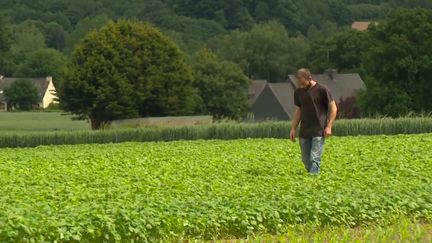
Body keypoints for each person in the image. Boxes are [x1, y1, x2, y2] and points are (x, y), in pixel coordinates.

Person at [290, 68, 337, 174]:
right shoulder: (298, 92)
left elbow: (333, 108)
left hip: (318, 130)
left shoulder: (322, 89)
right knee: (306, 161)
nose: (301, 86)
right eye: (299, 84)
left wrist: (329, 126)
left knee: (314, 159)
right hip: (304, 131)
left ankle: (313, 183)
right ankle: (312, 177)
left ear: (309, 78)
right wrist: (293, 128)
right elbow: (298, 110)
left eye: (303, 83)